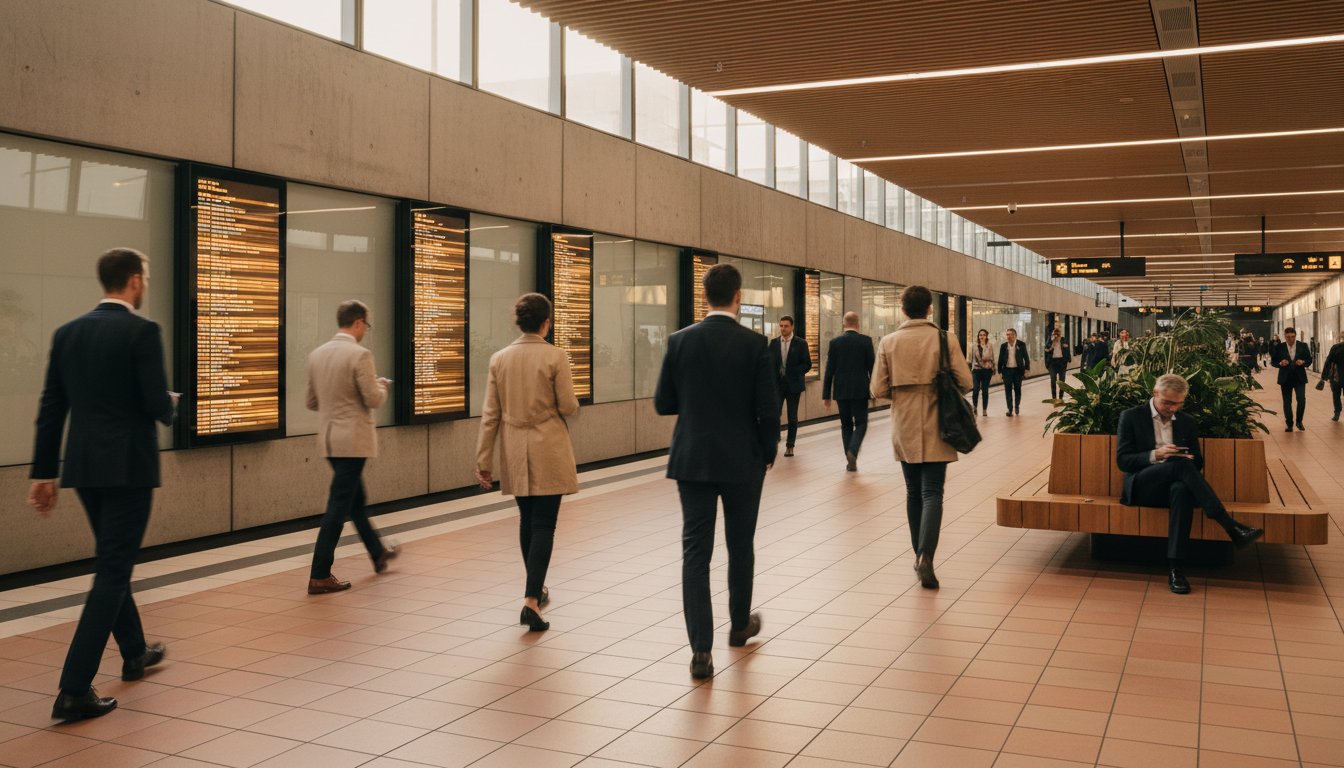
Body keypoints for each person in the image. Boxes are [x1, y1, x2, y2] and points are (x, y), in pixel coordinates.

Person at [28, 248, 176, 721]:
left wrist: (43, 472)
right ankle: (74, 688)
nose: (146, 283)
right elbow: (156, 404)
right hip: (130, 466)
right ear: (134, 281)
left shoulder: (67, 333)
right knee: (113, 570)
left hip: (85, 468)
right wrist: (173, 404)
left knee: (114, 559)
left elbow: (52, 408)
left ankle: (134, 652)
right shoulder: (143, 331)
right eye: (146, 277)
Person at [655, 263, 778, 679]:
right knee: (740, 544)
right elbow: (768, 409)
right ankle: (739, 625)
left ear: (703, 295)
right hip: (743, 460)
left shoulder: (679, 341)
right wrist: (768, 453)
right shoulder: (755, 344)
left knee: (696, 553)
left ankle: (700, 652)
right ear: (738, 295)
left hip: (692, 458)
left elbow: (663, 403)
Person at [475, 293, 580, 632]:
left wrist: (484, 459)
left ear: (518, 321)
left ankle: (535, 589)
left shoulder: (499, 359)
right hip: (548, 445)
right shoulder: (556, 356)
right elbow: (568, 405)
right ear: (546, 322)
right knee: (545, 524)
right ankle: (531, 601)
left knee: (527, 519)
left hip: (514, 448)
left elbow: (490, 414)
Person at [1116, 374, 1264, 594]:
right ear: (1155, 393)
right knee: (1180, 467)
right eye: (1168, 402)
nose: (1172, 408)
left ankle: (1176, 569)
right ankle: (1230, 526)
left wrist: (1186, 458)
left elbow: (1199, 462)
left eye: (1178, 403)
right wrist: (1157, 454)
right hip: (1142, 485)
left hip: (1174, 486)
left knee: (1182, 488)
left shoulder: (1187, 422)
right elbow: (1123, 461)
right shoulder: (1131, 416)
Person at [871, 285, 974, 589]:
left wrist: (903, 393)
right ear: (930, 308)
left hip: (903, 423)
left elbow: (877, 389)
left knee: (913, 492)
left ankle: (918, 555)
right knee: (933, 492)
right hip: (938, 422)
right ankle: (925, 556)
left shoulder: (888, 342)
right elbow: (966, 381)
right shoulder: (946, 339)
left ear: (902, 310)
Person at [306, 301, 400, 596]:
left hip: (330, 440)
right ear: (358, 322)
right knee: (339, 504)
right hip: (353, 441)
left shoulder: (317, 354)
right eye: (366, 326)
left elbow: (311, 402)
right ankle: (320, 574)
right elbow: (373, 399)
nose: (365, 332)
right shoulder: (360, 354)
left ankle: (378, 553)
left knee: (354, 499)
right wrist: (381, 385)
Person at [822, 312, 875, 472]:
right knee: (861, 423)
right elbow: (872, 368)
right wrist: (873, 392)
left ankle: (849, 458)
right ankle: (853, 450)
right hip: (860, 389)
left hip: (841, 390)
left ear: (843, 324)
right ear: (858, 324)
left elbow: (829, 370)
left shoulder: (835, 342)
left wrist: (826, 395)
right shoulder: (866, 341)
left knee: (846, 425)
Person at [769, 316, 812, 457]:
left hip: (794, 385)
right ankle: (775, 440)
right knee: (775, 414)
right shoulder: (774, 343)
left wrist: (792, 372)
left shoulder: (801, 343)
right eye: (781, 326)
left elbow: (807, 364)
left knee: (792, 416)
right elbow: (769, 364)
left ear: (792, 327)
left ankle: (790, 445)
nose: (783, 328)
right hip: (778, 385)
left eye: (786, 326)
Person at [1270, 326, 1313, 432]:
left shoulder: (1303, 346)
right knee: (1287, 402)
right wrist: (1280, 363)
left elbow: (1309, 359)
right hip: (1285, 378)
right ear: (1285, 337)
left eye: (1293, 337)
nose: (1291, 339)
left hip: (1299, 378)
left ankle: (1299, 422)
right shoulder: (1280, 347)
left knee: (1301, 400)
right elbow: (1273, 362)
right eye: (1288, 337)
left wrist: (1303, 362)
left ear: (1296, 336)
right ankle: (1289, 424)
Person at [997, 327, 1030, 416]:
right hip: (1007, 371)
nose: (1009, 336)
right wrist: (999, 371)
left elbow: (1026, 358)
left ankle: (1017, 406)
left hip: (1017, 371)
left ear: (1015, 335)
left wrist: (1026, 370)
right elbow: (1000, 359)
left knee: (1017, 390)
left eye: (1011, 334)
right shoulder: (1003, 346)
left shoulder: (1021, 345)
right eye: (1008, 334)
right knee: (1008, 390)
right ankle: (1010, 409)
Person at [968, 329, 995, 417]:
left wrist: (993, 367)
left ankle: (984, 409)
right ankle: (975, 407)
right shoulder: (975, 346)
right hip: (976, 370)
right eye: (980, 335)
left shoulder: (990, 346)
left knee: (985, 390)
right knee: (975, 389)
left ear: (986, 336)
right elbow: (971, 358)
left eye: (983, 335)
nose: (982, 337)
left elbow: (991, 357)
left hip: (987, 370)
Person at [1044, 327, 1070, 398]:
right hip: (1052, 363)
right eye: (1055, 333)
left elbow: (1067, 349)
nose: (1056, 335)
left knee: (1062, 381)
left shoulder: (1063, 340)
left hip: (1061, 362)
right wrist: (1052, 341)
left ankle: (1061, 397)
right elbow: (1046, 349)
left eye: (1058, 333)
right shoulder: (1050, 341)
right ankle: (1054, 398)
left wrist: (1067, 360)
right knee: (1053, 380)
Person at [1323, 336, 1344, 421]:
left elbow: (1328, 361)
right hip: (1336, 377)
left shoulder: (1336, 347)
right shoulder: (1336, 347)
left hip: (1336, 377)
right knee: (1336, 395)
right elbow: (1329, 361)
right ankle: (1337, 412)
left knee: (1336, 395)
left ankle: (1337, 413)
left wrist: (1324, 376)